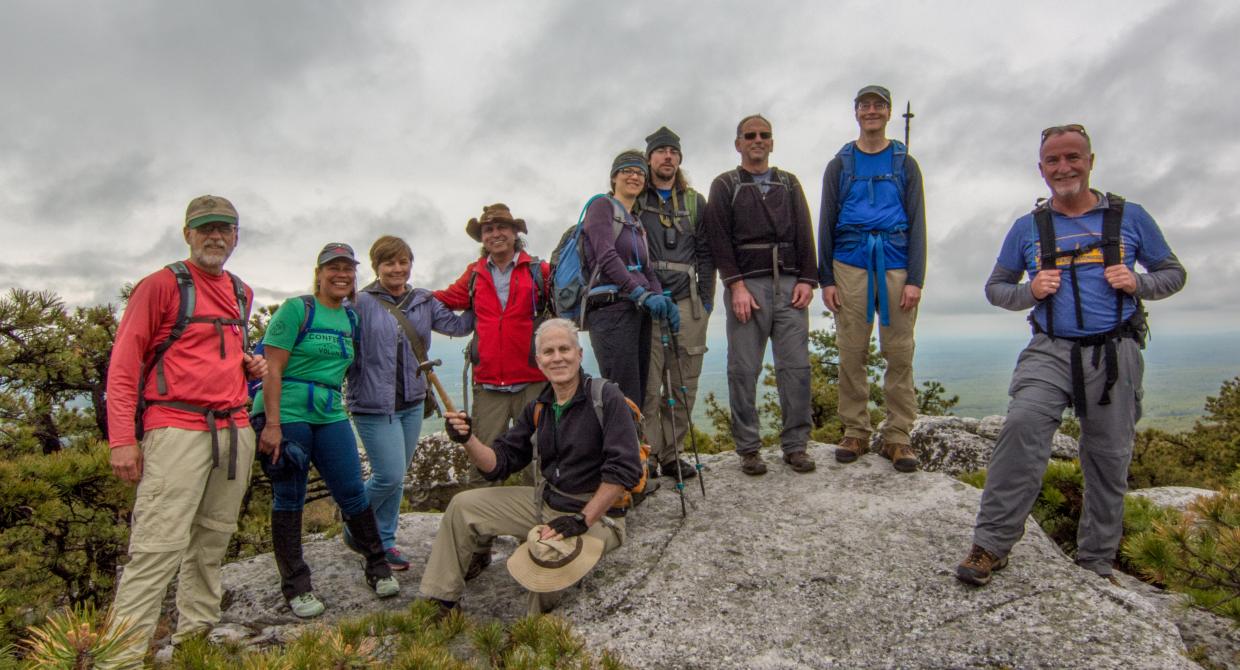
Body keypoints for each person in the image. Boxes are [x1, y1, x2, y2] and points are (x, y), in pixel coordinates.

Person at [956, 125, 1186, 586]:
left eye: (1072, 158)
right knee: (1022, 426)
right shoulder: (1029, 227)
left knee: (1108, 456)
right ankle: (990, 546)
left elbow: (1173, 273)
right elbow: (996, 288)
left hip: (1115, 350)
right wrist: (1029, 291)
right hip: (1050, 348)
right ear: (1041, 169)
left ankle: (1095, 562)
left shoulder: (1129, 217)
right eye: (1053, 161)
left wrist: (1136, 283)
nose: (1064, 168)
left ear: (1090, 161)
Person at [104, 194, 266, 667]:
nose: (215, 236)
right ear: (187, 233)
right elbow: (123, 365)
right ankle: (121, 658)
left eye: (225, 228)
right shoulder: (159, 286)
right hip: (176, 428)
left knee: (213, 538)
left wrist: (248, 367)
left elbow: (213, 355)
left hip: (234, 429)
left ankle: (195, 637)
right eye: (205, 228)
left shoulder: (241, 291)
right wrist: (121, 440)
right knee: (157, 547)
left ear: (236, 236)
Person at [418, 318, 643, 616]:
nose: (558, 357)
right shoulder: (540, 406)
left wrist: (582, 519)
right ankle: (441, 602)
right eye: (548, 352)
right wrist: (467, 438)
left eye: (565, 349)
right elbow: (499, 462)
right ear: (539, 362)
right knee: (462, 506)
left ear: (579, 354)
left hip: (598, 515)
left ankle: (534, 631)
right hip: (545, 503)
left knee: (545, 555)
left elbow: (624, 468)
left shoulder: (605, 397)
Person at [255, 242, 400, 618]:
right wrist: (271, 424)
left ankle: (377, 567)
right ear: (319, 273)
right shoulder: (296, 309)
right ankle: (296, 587)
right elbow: (272, 369)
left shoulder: (349, 318)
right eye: (333, 268)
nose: (341, 274)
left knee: (352, 490)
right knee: (290, 496)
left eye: (348, 268)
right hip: (286, 411)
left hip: (329, 411)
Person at [818, 85, 927, 473]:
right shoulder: (841, 164)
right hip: (849, 262)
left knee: (899, 351)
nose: (871, 111)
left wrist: (916, 278)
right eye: (865, 105)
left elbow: (918, 222)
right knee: (851, 349)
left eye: (878, 105)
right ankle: (856, 430)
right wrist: (825, 278)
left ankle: (898, 437)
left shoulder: (904, 162)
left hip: (896, 262)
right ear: (856, 113)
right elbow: (826, 221)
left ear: (888, 112)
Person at [347, 235, 472, 570]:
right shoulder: (358, 303)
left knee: (398, 475)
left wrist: (484, 297)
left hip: (413, 401)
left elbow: (458, 326)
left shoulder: (423, 301)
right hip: (372, 403)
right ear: (377, 266)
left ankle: (385, 541)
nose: (397, 269)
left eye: (403, 262)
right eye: (389, 262)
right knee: (387, 476)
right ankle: (353, 525)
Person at [703, 114, 817, 476]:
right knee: (743, 369)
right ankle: (749, 448)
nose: (757, 140)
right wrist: (734, 285)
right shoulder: (725, 185)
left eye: (764, 135)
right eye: (749, 135)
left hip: (789, 283)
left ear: (772, 142)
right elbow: (718, 238)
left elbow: (804, 230)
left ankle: (796, 445)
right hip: (746, 286)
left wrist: (807, 280)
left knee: (796, 368)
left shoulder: (789, 183)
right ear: (738, 143)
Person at [636, 126, 714, 481]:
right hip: (648, 303)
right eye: (660, 151)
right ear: (649, 157)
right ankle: (648, 455)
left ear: (679, 159)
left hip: (687, 301)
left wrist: (707, 300)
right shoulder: (637, 198)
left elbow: (707, 253)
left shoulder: (695, 201)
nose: (667, 156)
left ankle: (672, 453)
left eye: (673, 151)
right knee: (650, 385)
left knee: (684, 383)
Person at [582, 150, 679, 405]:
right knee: (622, 393)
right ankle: (623, 445)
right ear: (614, 177)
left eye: (639, 173)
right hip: (611, 310)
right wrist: (640, 293)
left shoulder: (635, 221)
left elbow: (647, 269)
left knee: (637, 389)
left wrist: (660, 298)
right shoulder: (601, 206)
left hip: (637, 311)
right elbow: (606, 255)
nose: (634, 176)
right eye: (627, 171)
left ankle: (635, 444)